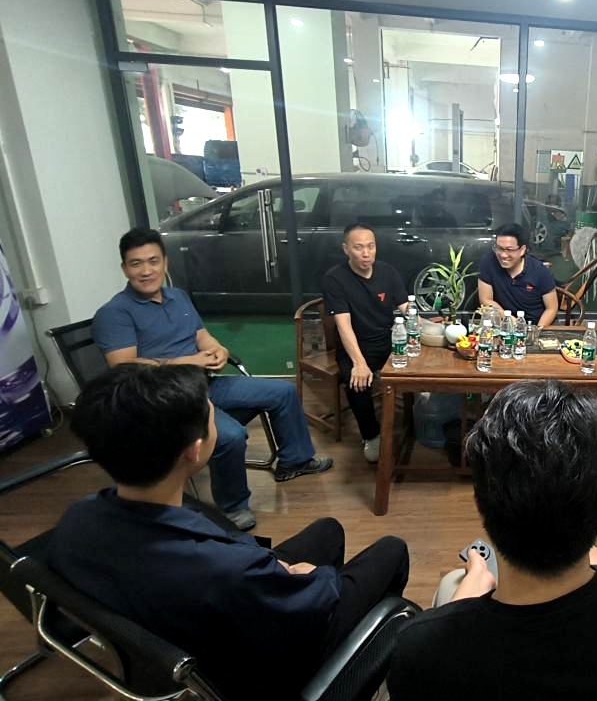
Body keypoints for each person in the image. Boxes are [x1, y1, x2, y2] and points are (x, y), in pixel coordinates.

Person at [49, 364, 410, 701]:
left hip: (195, 618)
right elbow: (295, 590)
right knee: (391, 551)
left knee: (328, 531)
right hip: (256, 667)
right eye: (213, 417)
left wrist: (269, 570)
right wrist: (309, 578)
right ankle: (358, 664)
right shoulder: (224, 571)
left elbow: (229, 567)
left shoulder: (77, 519)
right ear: (194, 450)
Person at [387, 380, 597, 700]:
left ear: (480, 499)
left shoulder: (421, 651)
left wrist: (461, 604)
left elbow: (446, 647)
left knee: (450, 585)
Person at [93, 228, 331, 531]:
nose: (146, 271)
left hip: (206, 384)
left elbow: (202, 336)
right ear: (125, 269)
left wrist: (219, 350)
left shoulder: (178, 297)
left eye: (153, 261)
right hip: (166, 400)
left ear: (165, 262)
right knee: (230, 435)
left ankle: (295, 461)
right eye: (136, 263)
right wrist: (188, 361)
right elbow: (123, 365)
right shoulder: (115, 312)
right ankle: (233, 507)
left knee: (282, 392)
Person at [322, 223, 408, 463]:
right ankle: (371, 435)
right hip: (356, 345)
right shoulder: (335, 278)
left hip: (389, 340)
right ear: (346, 249)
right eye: (358, 247)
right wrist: (359, 363)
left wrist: (429, 323)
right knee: (357, 383)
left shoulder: (388, 272)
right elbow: (344, 326)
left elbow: (406, 309)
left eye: (371, 246)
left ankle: (415, 423)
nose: (366, 253)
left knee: (421, 369)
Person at [477, 222, 558, 328]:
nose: (503, 255)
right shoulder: (489, 262)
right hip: (502, 326)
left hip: (533, 326)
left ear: (522, 250)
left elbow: (551, 308)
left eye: (509, 250)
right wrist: (510, 320)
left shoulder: (539, 271)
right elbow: (486, 299)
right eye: (499, 248)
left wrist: (536, 331)